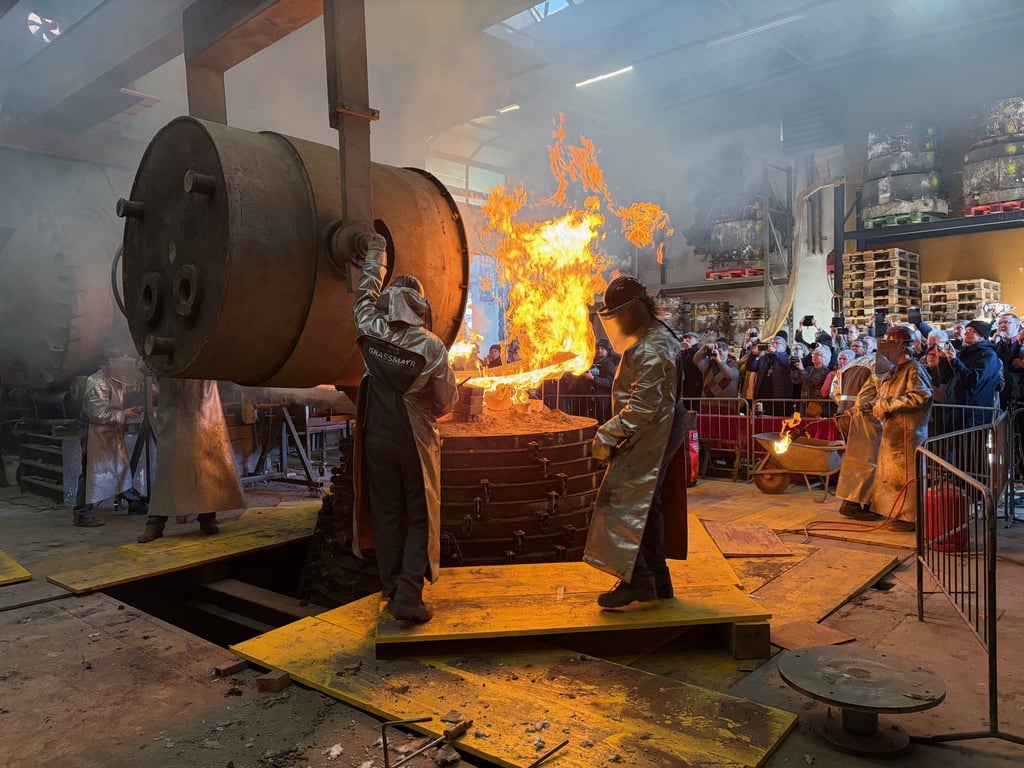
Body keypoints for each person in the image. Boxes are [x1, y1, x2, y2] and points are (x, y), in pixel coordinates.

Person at [351, 232, 458, 623]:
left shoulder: (369, 327)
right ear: (419, 306)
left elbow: (364, 290)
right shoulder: (431, 347)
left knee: (386, 513)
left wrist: (377, 251)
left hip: (375, 437)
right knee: (419, 516)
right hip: (413, 439)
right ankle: (409, 597)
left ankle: (392, 585)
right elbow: (447, 402)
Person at [583, 276, 688, 609]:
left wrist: (607, 433)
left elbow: (644, 405)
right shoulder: (654, 335)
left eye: (623, 314)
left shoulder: (654, 347)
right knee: (648, 504)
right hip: (659, 427)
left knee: (626, 504)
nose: (620, 322)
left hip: (652, 431)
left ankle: (639, 580)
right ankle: (658, 580)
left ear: (636, 310)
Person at [136, 379, 246, 543]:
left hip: (205, 401)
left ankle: (207, 517)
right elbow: (147, 363)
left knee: (208, 464)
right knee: (169, 468)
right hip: (175, 400)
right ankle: (155, 523)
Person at [72, 353, 147, 527]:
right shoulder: (97, 382)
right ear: (107, 364)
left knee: (120, 468)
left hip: (110, 432)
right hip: (95, 434)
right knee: (92, 473)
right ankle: (82, 514)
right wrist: (124, 413)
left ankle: (133, 501)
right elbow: (99, 414)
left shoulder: (115, 378)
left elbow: (131, 387)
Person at [871, 326, 933, 532]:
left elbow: (921, 395)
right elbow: (884, 394)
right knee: (892, 476)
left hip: (909, 432)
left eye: (890, 344)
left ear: (901, 347)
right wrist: (876, 405)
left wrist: (889, 404)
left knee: (908, 476)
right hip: (893, 431)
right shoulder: (894, 370)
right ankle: (895, 512)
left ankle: (909, 517)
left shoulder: (914, 368)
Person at [944, 319, 1002, 429]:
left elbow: (972, 380)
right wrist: (944, 359)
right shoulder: (964, 352)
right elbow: (947, 377)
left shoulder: (988, 355)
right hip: (955, 412)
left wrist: (954, 360)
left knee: (970, 445)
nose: (965, 333)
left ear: (981, 336)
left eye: (970, 331)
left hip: (972, 416)